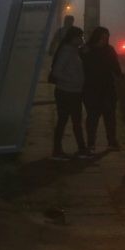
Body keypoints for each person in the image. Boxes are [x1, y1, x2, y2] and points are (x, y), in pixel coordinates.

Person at [50, 26, 91, 160]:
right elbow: (56, 72)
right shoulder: (66, 51)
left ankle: (81, 148)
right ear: (73, 38)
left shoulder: (74, 50)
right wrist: (73, 81)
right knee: (64, 121)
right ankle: (58, 150)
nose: (82, 39)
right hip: (66, 92)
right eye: (80, 37)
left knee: (75, 121)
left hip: (74, 92)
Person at [82, 26, 123, 152]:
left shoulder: (108, 50)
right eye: (103, 37)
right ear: (97, 37)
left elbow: (115, 66)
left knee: (109, 116)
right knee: (93, 118)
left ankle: (111, 141)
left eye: (107, 37)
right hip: (92, 88)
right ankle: (91, 143)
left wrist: (119, 75)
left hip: (106, 88)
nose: (105, 40)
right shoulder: (87, 50)